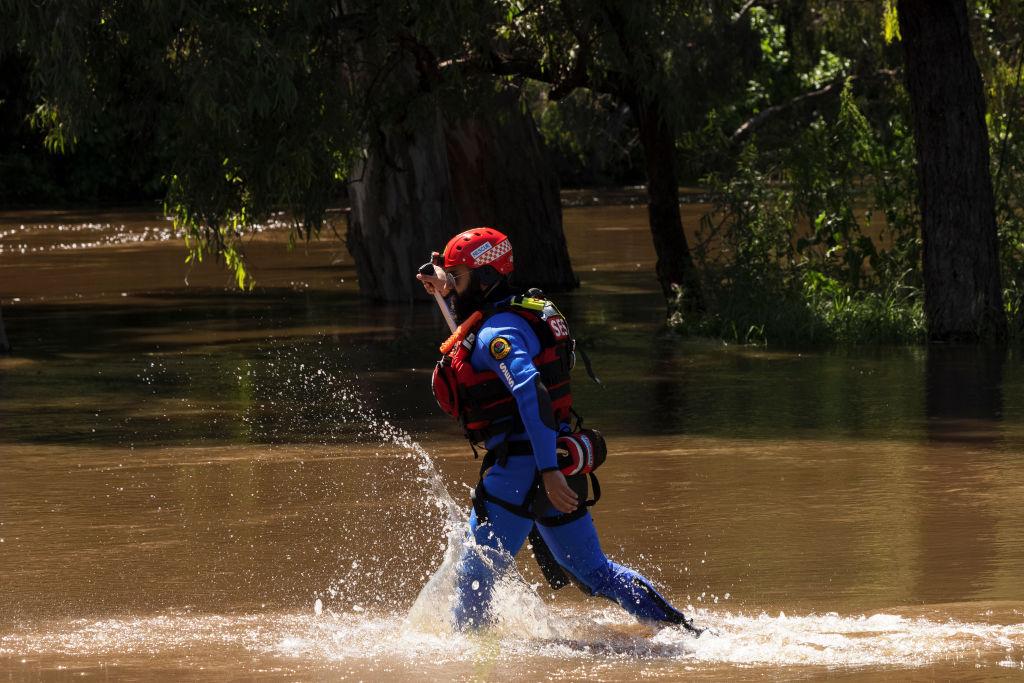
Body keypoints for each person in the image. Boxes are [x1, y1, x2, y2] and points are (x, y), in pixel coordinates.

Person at [418, 227, 700, 634]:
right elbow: (474, 321)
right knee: (594, 572)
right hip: (555, 461)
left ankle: (468, 669)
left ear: (483, 279)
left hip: (522, 470)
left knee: (473, 583)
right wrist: (446, 285)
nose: (453, 287)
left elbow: (530, 392)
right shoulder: (517, 312)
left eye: (459, 278)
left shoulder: (498, 333)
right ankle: (687, 634)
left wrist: (548, 472)